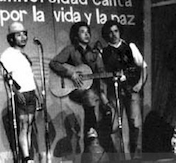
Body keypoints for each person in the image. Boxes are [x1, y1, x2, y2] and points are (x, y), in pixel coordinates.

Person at [49, 21, 110, 159]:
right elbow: (54, 63)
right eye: (82, 32)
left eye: (88, 31)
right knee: (89, 96)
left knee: (96, 100)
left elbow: (101, 73)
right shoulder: (71, 49)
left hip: (92, 90)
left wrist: (102, 63)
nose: (87, 34)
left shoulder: (94, 53)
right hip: (76, 90)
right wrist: (71, 74)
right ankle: (91, 131)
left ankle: (93, 143)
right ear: (76, 35)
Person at [101, 20, 148, 159]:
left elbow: (143, 67)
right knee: (115, 126)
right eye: (110, 32)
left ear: (120, 31)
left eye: (116, 31)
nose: (113, 34)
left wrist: (140, 84)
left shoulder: (130, 47)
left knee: (136, 124)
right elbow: (102, 76)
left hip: (131, 90)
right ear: (106, 35)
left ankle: (137, 157)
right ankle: (119, 158)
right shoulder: (103, 52)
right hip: (113, 92)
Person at [0, 21, 42, 163]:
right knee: (23, 125)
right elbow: (8, 78)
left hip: (30, 93)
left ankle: (28, 156)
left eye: (24, 34)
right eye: (19, 35)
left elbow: (30, 76)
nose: (23, 37)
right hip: (21, 94)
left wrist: (37, 92)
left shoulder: (23, 55)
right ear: (12, 38)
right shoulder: (7, 55)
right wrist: (16, 93)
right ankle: (26, 157)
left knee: (29, 125)